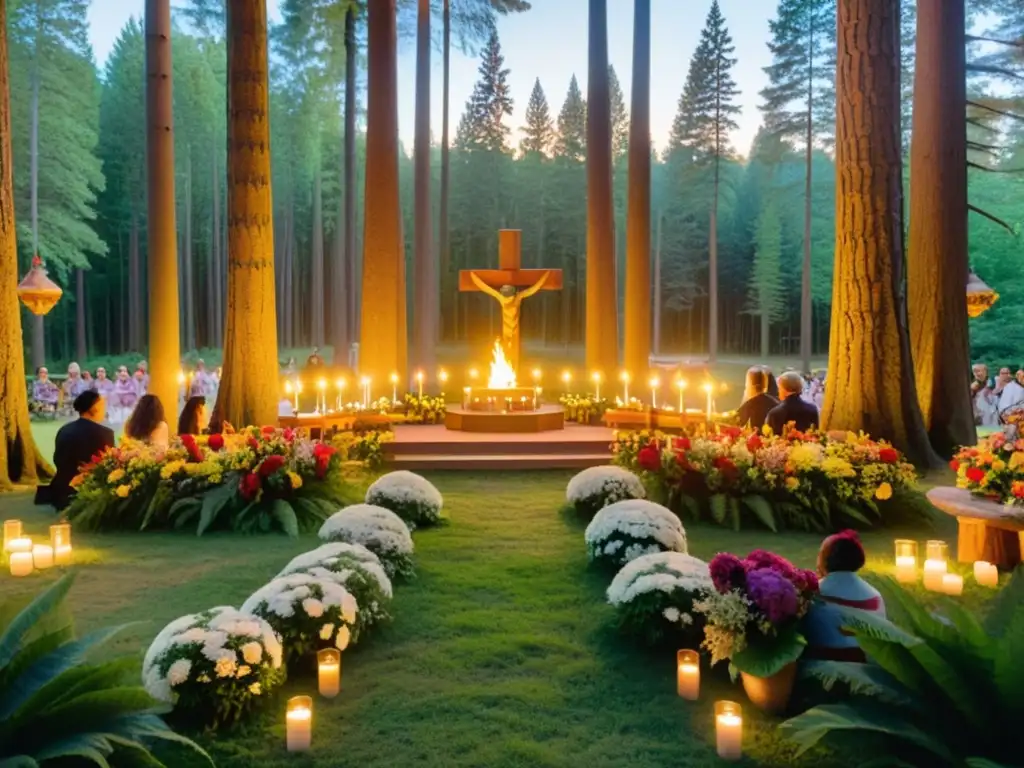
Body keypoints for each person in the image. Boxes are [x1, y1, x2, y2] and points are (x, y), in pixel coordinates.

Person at [803, 530, 886, 662]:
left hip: (818, 668)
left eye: (820, 553)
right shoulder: (875, 596)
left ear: (825, 559)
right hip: (866, 669)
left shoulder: (810, 594)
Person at [43, 390, 115, 511]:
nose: (105, 410)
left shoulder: (64, 430)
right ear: (94, 409)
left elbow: (58, 460)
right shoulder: (105, 434)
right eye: (102, 406)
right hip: (89, 493)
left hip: (62, 491)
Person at [766, 370, 819, 434]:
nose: (778, 392)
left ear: (784, 389)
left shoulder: (774, 413)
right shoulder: (812, 409)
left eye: (779, 388)